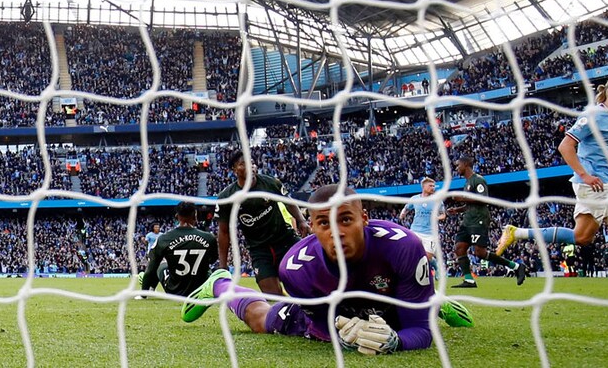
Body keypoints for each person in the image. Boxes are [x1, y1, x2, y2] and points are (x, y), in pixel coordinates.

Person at [181, 186, 474, 355]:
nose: (335, 232)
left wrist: (397, 342)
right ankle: (220, 284)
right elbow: (321, 329)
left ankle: (432, 300)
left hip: (390, 296)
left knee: (406, 315)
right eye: (323, 224)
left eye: (345, 220)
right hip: (335, 306)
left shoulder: (404, 246)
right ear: (312, 228)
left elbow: (420, 332)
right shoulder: (296, 269)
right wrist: (342, 338)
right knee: (261, 320)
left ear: (364, 218)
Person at [496, 76, 608, 295]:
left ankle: (517, 233)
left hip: (600, 181)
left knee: (582, 237)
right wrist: (585, 175)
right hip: (595, 183)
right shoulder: (593, 115)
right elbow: (565, 146)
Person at [214, 151, 311, 296]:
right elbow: (224, 232)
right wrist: (223, 265)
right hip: (259, 250)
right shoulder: (227, 197)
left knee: (305, 284)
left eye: (251, 162)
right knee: (273, 296)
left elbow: (289, 202)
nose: (250, 166)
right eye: (243, 164)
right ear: (234, 170)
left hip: (285, 241)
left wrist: (301, 220)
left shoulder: (270, 183)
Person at [447, 156, 527, 287]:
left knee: (480, 252)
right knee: (459, 248)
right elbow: (470, 203)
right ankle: (469, 280)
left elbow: (483, 199)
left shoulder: (478, 180)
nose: (457, 168)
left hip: (479, 220)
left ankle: (516, 266)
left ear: (466, 164)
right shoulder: (467, 183)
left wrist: (462, 198)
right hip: (467, 220)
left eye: (458, 165)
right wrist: (458, 209)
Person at [138, 202, 219, 297]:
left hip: (174, 291)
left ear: (177, 216)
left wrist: (143, 294)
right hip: (201, 289)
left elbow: (151, 269)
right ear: (195, 216)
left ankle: (150, 289)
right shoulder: (209, 237)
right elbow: (213, 259)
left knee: (159, 264)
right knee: (207, 269)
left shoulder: (164, 238)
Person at [397, 177, 446, 278]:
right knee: (412, 253)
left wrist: (437, 217)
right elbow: (406, 208)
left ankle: (435, 265)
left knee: (427, 257)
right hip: (415, 230)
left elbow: (443, 214)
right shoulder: (415, 199)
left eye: (434, 186)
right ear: (424, 187)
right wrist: (402, 214)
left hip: (430, 233)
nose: (433, 188)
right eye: (430, 186)